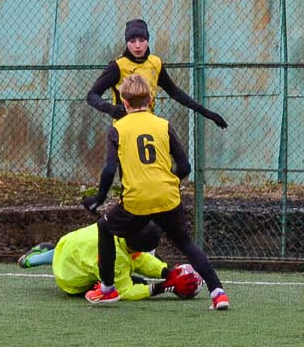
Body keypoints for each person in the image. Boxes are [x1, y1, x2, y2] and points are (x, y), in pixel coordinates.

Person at [84, 74, 230, 310]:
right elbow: (185, 166)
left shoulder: (118, 129)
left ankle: (108, 289)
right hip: (168, 196)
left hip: (136, 200)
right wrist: (169, 183)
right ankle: (218, 293)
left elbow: (110, 168)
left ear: (124, 101)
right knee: (184, 241)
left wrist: (98, 198)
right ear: (151, 98)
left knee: (104, 227)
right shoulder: (163, 125)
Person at [83, 18, 228, 214]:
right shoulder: (118, 66)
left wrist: (207, 113)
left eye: (141, 40)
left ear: (148, 41)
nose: (137, 45)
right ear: (126, 42)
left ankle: (162, 194)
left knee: (182, 166)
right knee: (118, 173)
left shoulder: (155, 63)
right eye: (132, 40)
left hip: (150, 126)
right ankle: (103, 201)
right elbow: (91, 95)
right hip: (124, 128)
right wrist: (112, 109)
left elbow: (175, 92)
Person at [16, 222, 202, 301]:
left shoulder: (120, 225)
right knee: (135, 283)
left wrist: (165, 272)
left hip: (69, 243)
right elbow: (125, 291)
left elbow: (139, 259)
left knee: (71, 253)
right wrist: (161, 288)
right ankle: (46, 257)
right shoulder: (118, 259)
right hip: (69, 281)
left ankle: (36, 257)